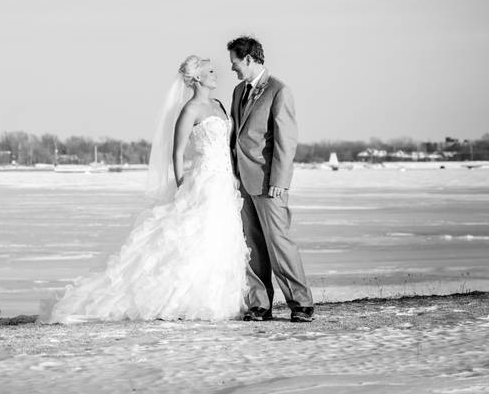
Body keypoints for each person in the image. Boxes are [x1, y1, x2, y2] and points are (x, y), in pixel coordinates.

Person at [45, 56, 249, 323]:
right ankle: (188, 299)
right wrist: (181, 188)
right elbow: (176, 154)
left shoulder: (220, 105)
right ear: (197, 77)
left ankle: (221, 298)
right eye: (210, 71)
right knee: (200, 237)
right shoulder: (190, 110)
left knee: (224, 237)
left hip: (225, 182)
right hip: (204, 182)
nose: (216, 75)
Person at [227, 36, 314, 323]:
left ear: (249, 59)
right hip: (243, 182)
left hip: (268, 182)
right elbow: (235, 137)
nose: (233, 69)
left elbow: (285, 141)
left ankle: (301, 303)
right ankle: (260, 305)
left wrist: (280, 180)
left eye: (235, 63)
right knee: (251, 246)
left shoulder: (279, 91)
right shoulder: (239, 91)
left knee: (279, 243)